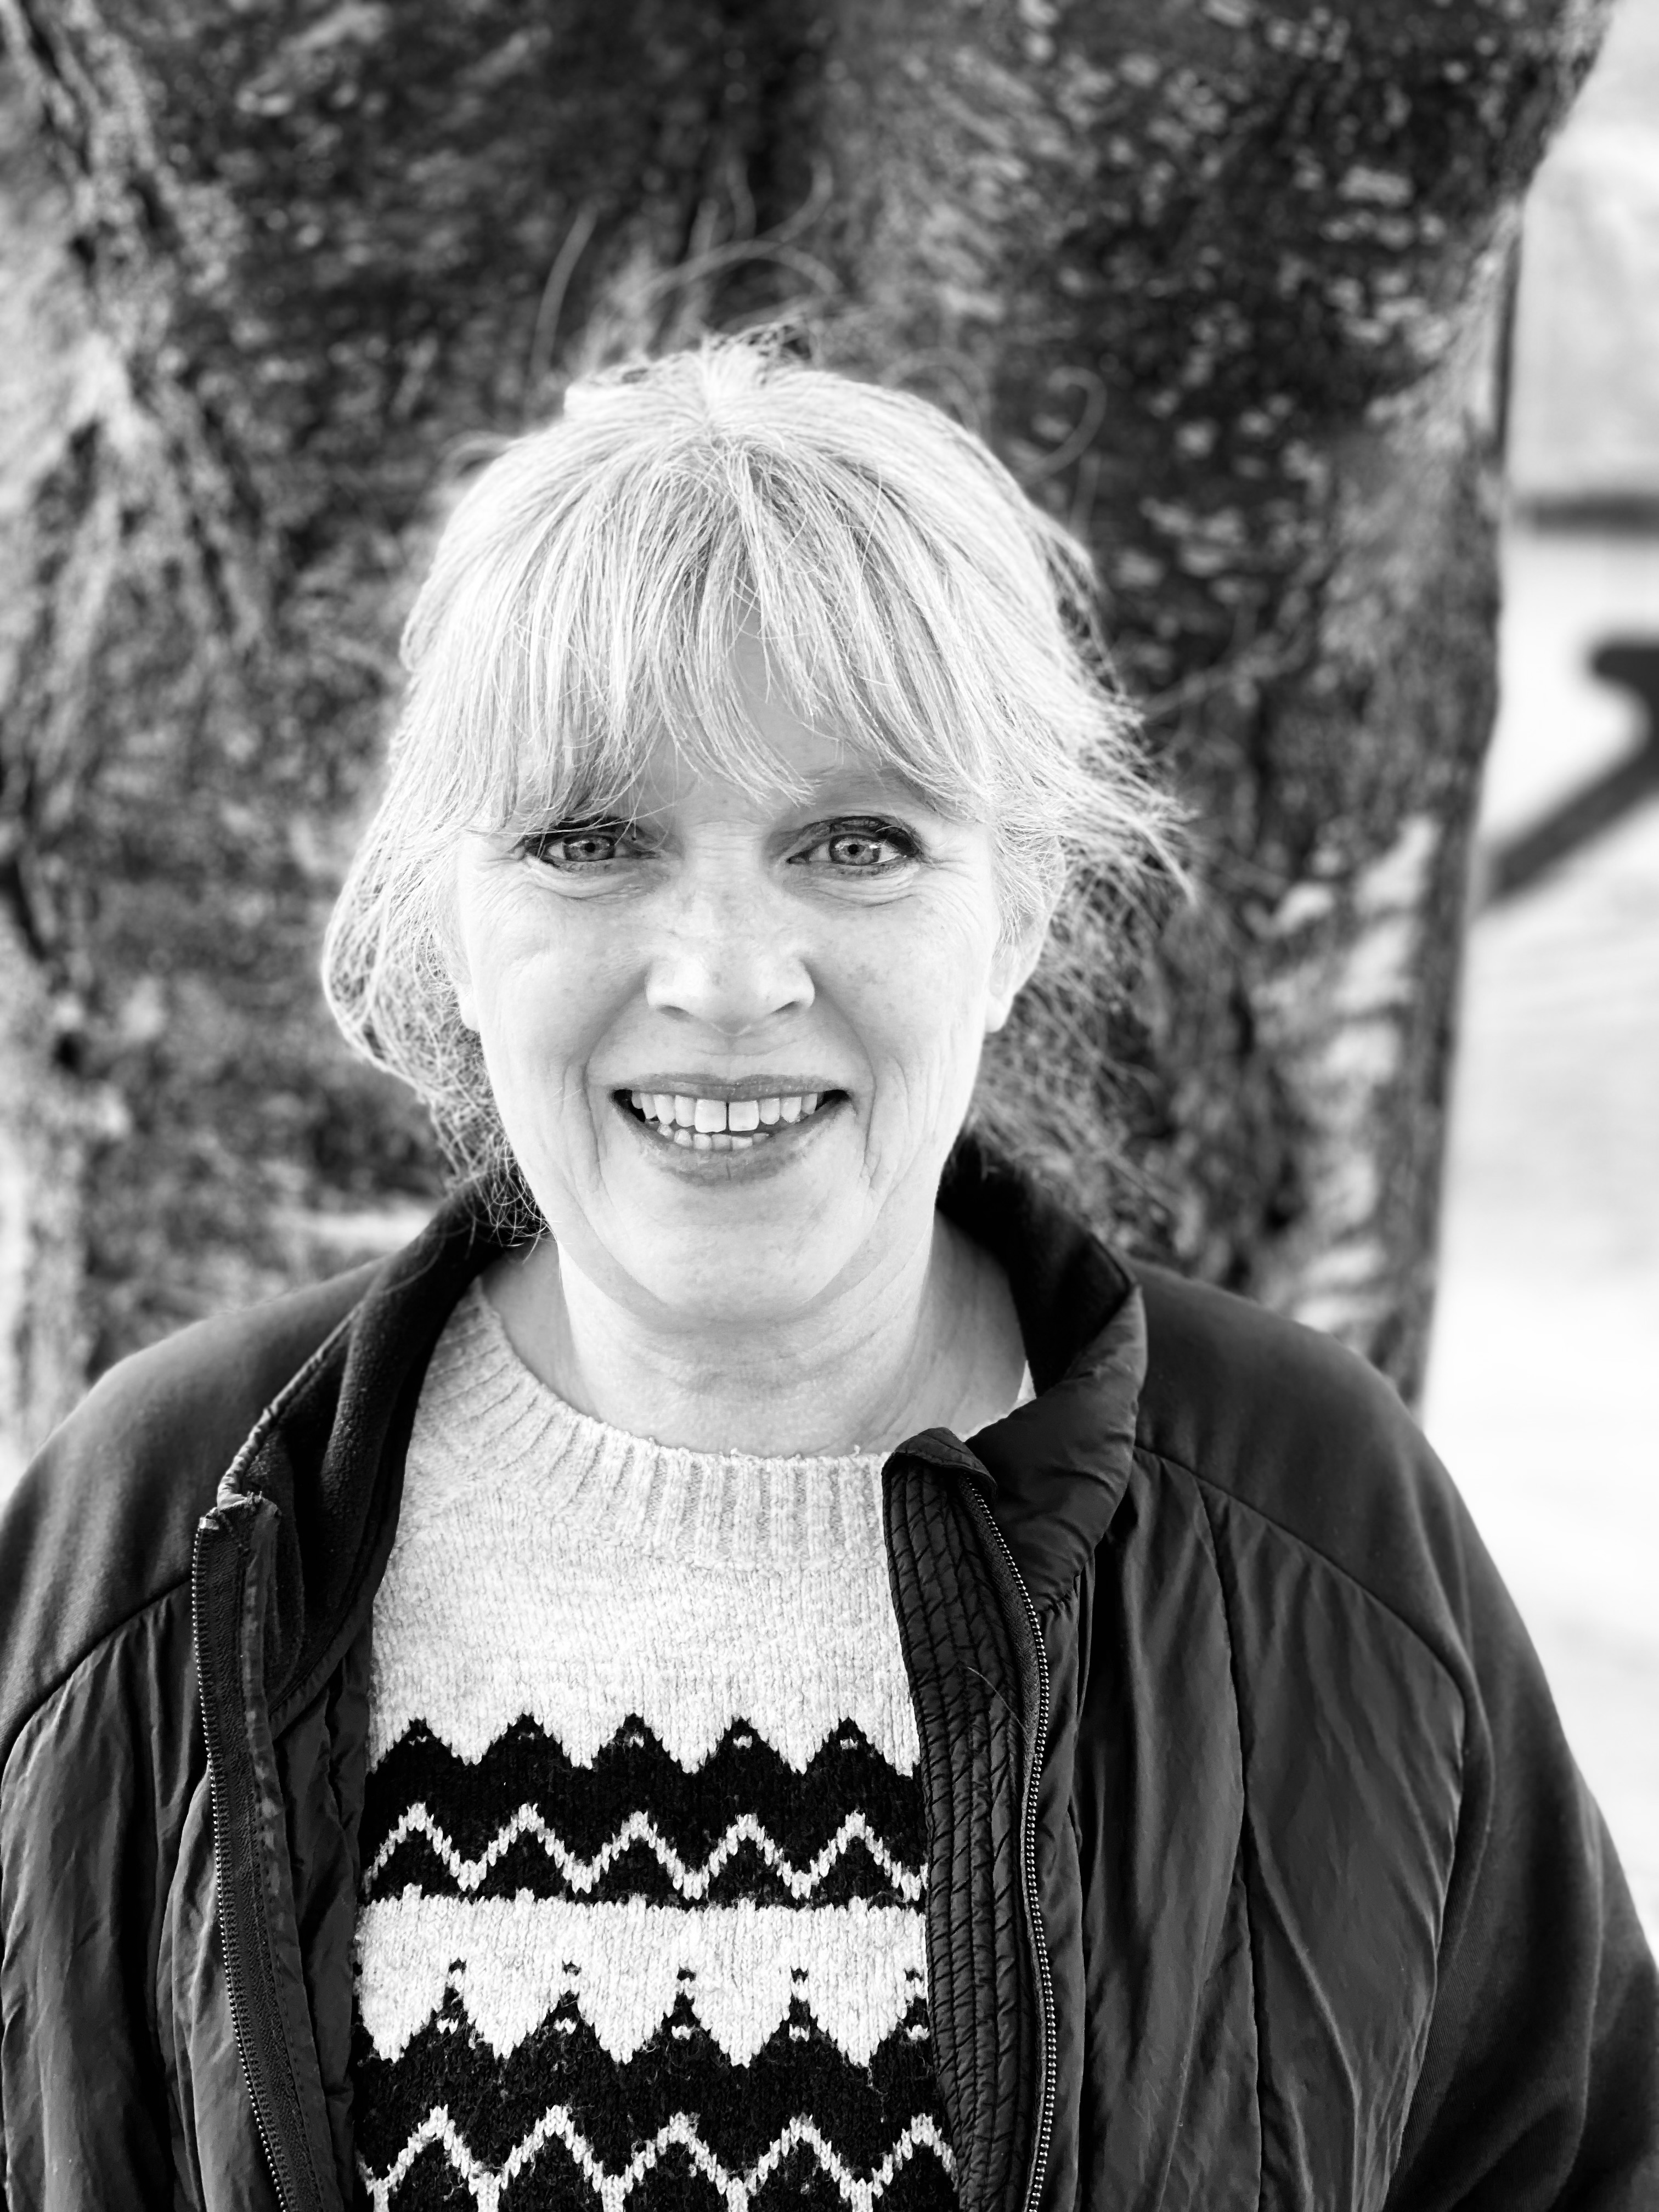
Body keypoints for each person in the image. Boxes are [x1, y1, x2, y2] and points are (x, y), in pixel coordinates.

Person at [0, 336, 1653, 2212]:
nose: (724, 979)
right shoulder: (162, 1527)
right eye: (591, 842)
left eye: (857, 844)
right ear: (449, 920)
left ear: (1017, 911)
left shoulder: (1311, 1524)